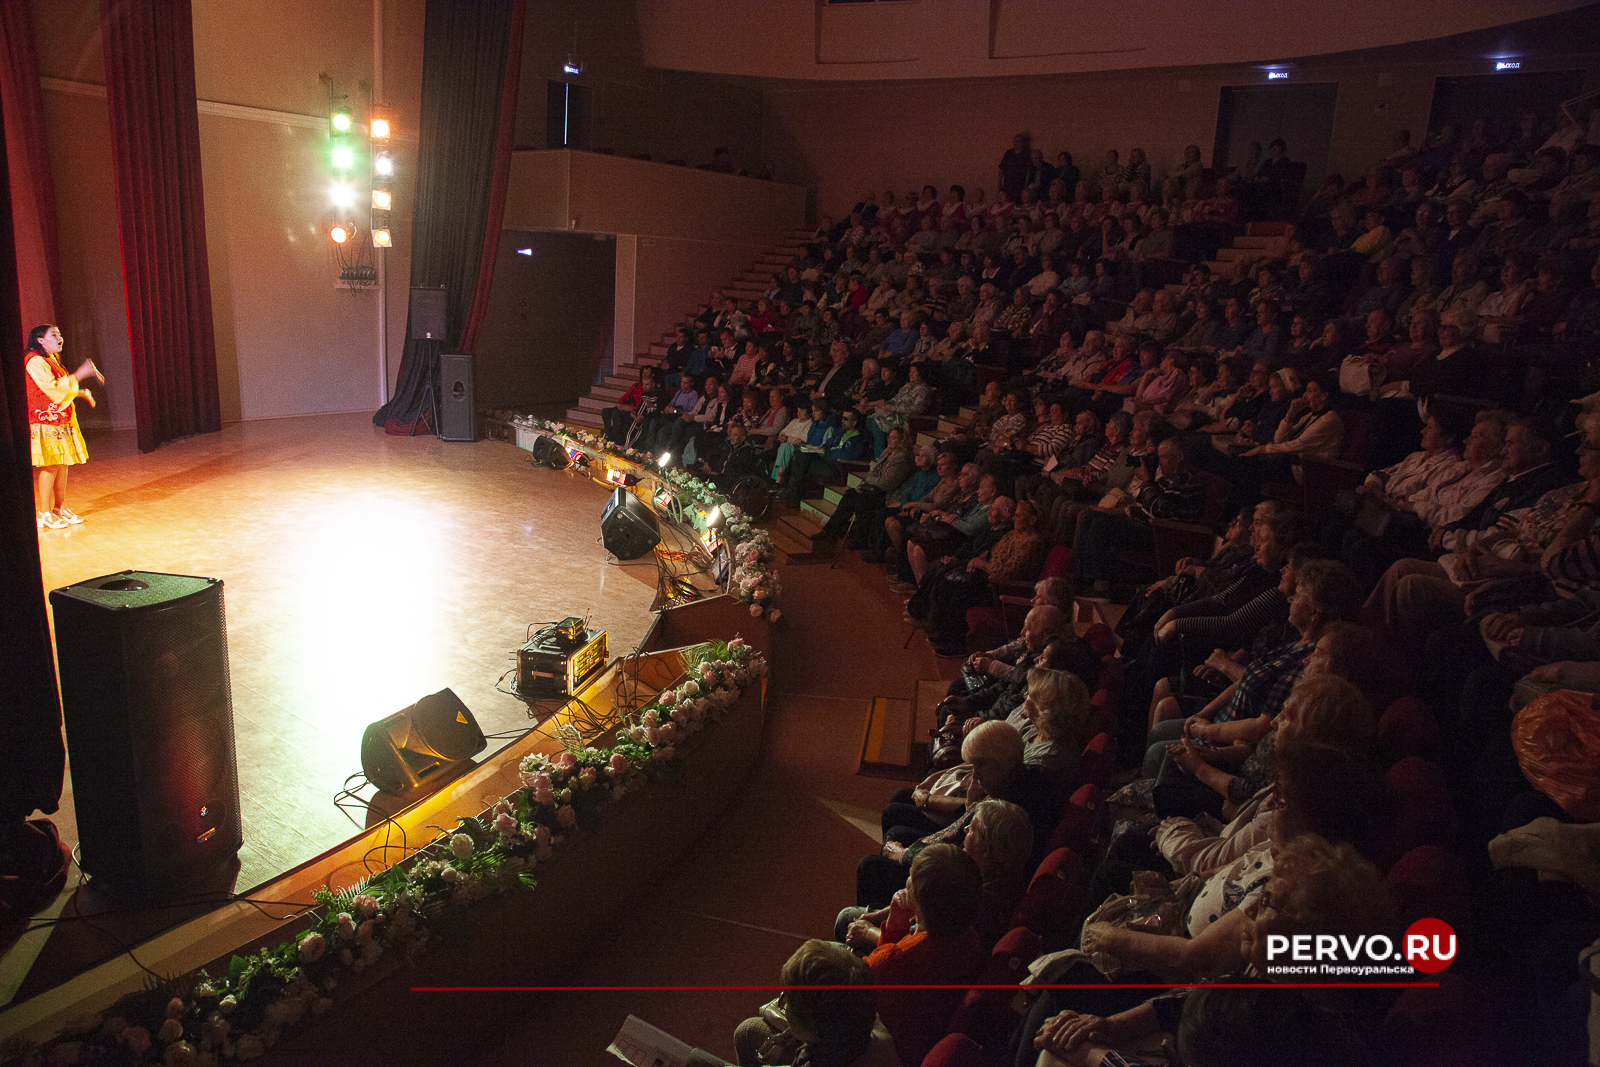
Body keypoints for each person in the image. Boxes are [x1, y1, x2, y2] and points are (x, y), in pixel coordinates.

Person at [689, 939, 897, 1067]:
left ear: (810, 1031)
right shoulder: (867, 1025)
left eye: (787, 1002)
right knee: (747, 1031)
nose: (782, 1003)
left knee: (695, 1060)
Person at [26, 324, 101, 529]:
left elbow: (60, 387)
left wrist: (80, 392)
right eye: (54, 334)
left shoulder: (51, 360)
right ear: (40, 340)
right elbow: (51, 389)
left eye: (60, 334)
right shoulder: (34, 361)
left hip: (60, 418)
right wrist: (80, 374)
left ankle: (60, 507)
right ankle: (44, 512)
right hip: (45, 419)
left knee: (62, 462)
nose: (60, 338)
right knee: (51, 463)